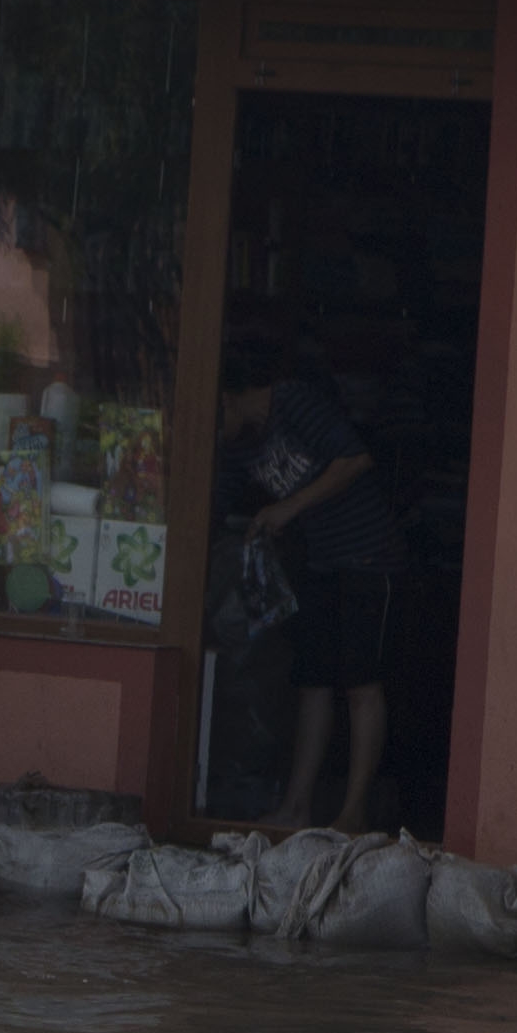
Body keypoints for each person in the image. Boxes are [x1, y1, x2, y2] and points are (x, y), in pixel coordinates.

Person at [217, 349, 407, 830]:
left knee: (362, 682)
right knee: (313, 682)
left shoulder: (293, 402)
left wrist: (291, 507)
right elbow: (221, 497)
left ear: (229, 398)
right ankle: (297, 807)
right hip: (319, 562)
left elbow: (355, 458)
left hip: (368, 555)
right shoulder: (240, 445)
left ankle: (352, 813)